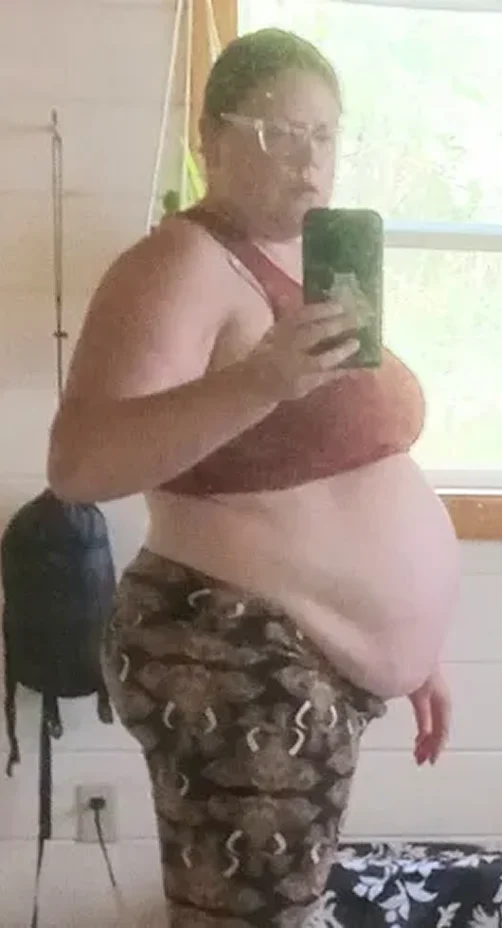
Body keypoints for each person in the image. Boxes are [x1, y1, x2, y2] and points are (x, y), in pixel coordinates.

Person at [47, 28, 459, 928]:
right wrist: (261, 380)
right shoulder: (180, 264)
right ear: (210, 141)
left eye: (324, 135)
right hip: (233, 651)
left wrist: (407, 644)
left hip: (304, 656)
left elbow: (347, 468)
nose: (308, 161)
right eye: (278, 133)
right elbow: (80, 464)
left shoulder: (310, 267)